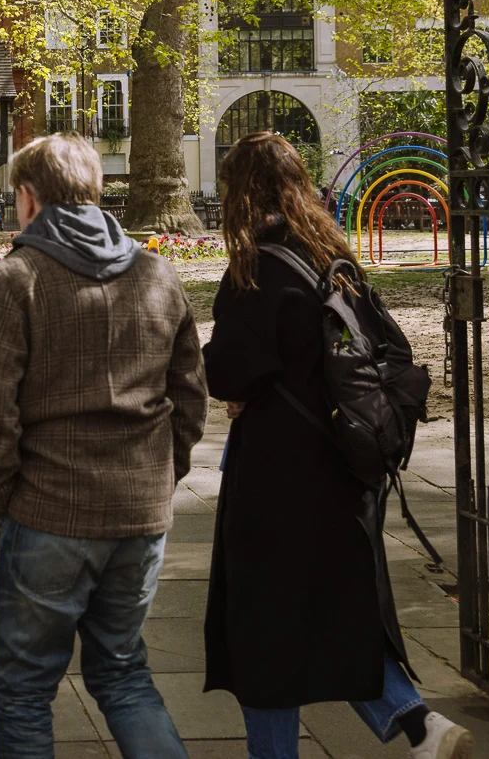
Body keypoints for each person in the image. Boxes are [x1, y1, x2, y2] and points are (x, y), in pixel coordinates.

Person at [202, 132, 473, 759]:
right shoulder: (333, 256)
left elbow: (228, 373)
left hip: (278, 474)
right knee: (335, 611)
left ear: (239, 192)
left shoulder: (257, 266)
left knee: (265, 631)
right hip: (345, 464)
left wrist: (241, 386)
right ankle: (420, 727)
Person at [0, 133, 207, 759]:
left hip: (48, 511)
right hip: (138, 515)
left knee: (22, 692)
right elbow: (191, 397)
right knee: (124, 675)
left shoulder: (16, 279)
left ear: (27, 198)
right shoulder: (157, 274)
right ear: (94, 193)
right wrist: (158, 478)